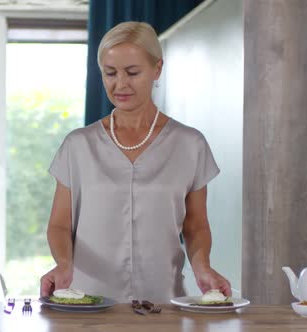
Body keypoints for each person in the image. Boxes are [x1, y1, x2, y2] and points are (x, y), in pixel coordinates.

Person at [39, 21, 231, 304]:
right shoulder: (78, 146)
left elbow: (196, 225)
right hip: (88, 305)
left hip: (163, 303)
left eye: (132, 72)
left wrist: (202, 267)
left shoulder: (190, 144)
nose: (121, 84)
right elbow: (59, 225)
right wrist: (64, 263)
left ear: (157, 69)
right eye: (110, 73)